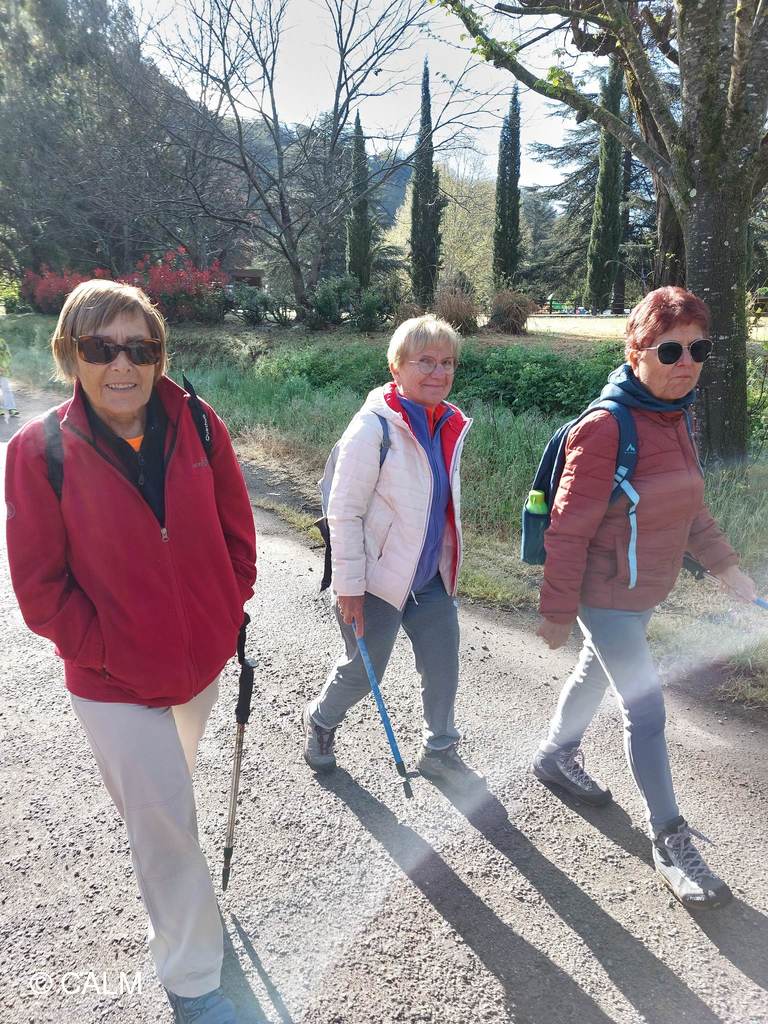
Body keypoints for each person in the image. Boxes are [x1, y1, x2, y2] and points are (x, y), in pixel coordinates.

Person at [5, 280, 256, 1023]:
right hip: (112, 685)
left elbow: (238, 535)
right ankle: (195, 984)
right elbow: (41, 591)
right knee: (165, 829)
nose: (123, 366)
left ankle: (191, 917)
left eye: (140, 349)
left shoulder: (200, 425)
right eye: (101, 348)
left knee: (171, 807)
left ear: (158, 356)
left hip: (199, 670)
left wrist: (222, 613)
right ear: (70, 355)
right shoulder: (37, 451)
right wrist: (113, 653)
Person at [531, 286, 757, 909]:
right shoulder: (606, 427)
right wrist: (557, 610)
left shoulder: (674, 416)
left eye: (697, 349)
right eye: (670, 349)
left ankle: (554, 754)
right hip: (605, 594)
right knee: (647, 708)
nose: (686, 362)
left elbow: (690, 508)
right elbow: (567, 529)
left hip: (644, 588)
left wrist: (727, 569)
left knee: (592, 670)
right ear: (637, 353)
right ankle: (669, 838)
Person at [301, 314, 484, 791]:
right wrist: (349, 587)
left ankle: (439, 750)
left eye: (447, 362)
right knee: (365, 671)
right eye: (425, 361)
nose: (439, 372)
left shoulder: (447, 423)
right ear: (396, 366)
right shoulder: (373, 428)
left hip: (428, 578)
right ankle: (321, 720)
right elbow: (343, 513)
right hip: (376, 582)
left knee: (442, 665)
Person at [0, 334, 19, 419]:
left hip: (3, 371)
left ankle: (11, 409)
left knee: (6, 389)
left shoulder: (1, 342)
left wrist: (4, 366)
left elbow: (8, 355)